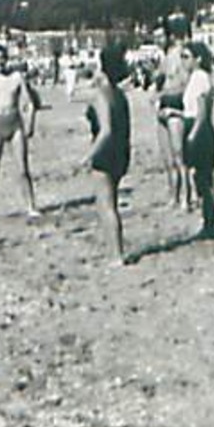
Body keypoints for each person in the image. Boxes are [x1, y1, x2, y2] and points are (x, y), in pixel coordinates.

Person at [0, 42, 40, 220]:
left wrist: (31, 124)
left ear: (7, 59)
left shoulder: (17, 77)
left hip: (15, 124)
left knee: (23, 169)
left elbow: (30, 103)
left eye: (2, 59)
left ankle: (31, 207)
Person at [83, 41, 132, 263]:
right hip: (121, 150)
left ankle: (116, 255)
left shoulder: (100, 95)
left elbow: (105, 130)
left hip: (106, 151)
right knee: (111, 204)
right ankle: (115, 252)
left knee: (106, 206)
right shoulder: (119, 94)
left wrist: (88, 156)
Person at [174, 42, 214, 236]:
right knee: (199, 177)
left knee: (203, 179)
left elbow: (202, 111)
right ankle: (207, 222)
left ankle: (210, 224)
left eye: (186, 57)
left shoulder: (200, 78)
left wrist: (193, 135)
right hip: (195, 126)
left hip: (200, 129)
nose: (183, 61)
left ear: (198, 59)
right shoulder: (196, 78)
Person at [154, 15, 193, 210]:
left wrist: (165, 93)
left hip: (175, 108)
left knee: (180, 156)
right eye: (155, 38)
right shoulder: (164, 56)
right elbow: (160, 81)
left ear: (169, 36)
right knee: (167, 158)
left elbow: (184, 83)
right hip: (163, 107)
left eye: (161, 37)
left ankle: (187, 198)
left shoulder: (179, 54)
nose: (157, 41)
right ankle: (174, 196)